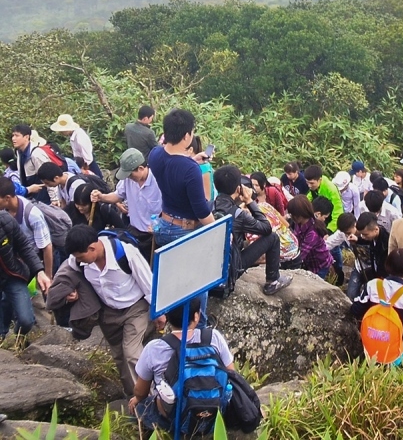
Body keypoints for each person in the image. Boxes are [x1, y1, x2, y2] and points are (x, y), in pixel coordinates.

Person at [63, 225, 160, 396]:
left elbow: (149, 284)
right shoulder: (79, 261)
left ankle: (148, 399)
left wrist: (159, 312)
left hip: (135, 308)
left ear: (92, 248)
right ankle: (131, 395)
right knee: (119, 357)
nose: (80, 261)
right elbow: (67, 273)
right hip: (108, 313)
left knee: (131, 354)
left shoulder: (125, 254)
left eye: (81, 256)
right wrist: (70, 291)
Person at [129, 303, 236, 434]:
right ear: (196, 316)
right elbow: (231, 373)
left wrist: (137, 400)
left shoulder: (154, 348)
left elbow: (140, 392)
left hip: (173, 419)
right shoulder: (213, 337)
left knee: (141, 408)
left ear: (167, 316)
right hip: (214, 412)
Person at [212, 166, 292, 295]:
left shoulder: (209, 207)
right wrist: (249, 201)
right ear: (238, 188)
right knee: (272, 238)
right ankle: (273, 281)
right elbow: (266, 228)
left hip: (211, 274)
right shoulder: (238, 214)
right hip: (228, 274)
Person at [147, 110, 214, 249]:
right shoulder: (190, 169)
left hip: (163, 225)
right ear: (186, 136)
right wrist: (220, 231)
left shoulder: (154, 154)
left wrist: (193, 160)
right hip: (183, 231)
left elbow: (172, 167)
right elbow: (201, 211)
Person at [94, 149, 160, 261]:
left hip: (153, 234)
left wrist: (159, 225)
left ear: (140, 168)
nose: (129, 177)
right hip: (134, 230)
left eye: (130, 174)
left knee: (152, 266)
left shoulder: (158, 181)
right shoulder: (128, 180)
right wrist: (102, 197)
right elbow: (117, 196)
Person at [0, 202, 49, 339]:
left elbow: (24, 246)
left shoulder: (5, 220)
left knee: (26, 320)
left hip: (13, 274)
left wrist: (39, 271)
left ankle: (18, 339)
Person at [288, 196, 334, 278]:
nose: (291, 216)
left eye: (293, 214)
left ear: (301, 214)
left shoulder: (313, 232)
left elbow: (301, 254)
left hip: (320, 265)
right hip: (309, 262)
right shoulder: (299, 223)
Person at [303, 165, 343, 231]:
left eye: (311, 183)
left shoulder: (331, 189)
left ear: (320, 180)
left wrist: (329, 230)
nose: (309, 186)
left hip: (331, 219)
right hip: (320, 215)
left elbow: (338, 212)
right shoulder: (314, 186)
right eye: (307, 182)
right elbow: (309, 197)